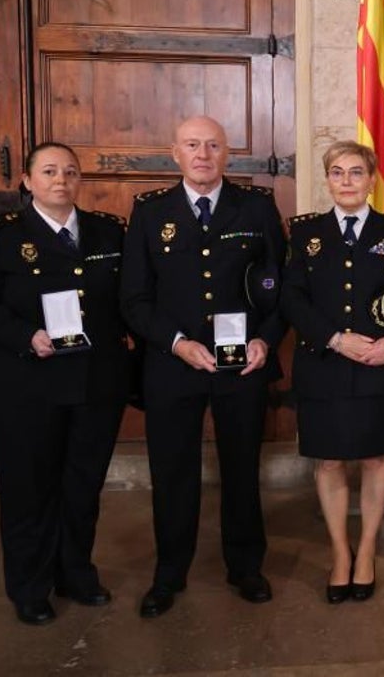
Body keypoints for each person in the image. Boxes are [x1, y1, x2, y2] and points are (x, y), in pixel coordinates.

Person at [120, 116, 286, 618]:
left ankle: (245, 566)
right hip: (173, 365)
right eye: (192, 145)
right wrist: (176, 344)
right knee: (173, 472)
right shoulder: (150, 213)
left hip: (243, 367)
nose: (203, 153)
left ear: (227, 154)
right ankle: (169, 573)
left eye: (213, 145)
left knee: (241, 467)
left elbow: (283, 288)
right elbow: (134, 298)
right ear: (175, 153)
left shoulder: (256, 207)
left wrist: (265, 340)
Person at [0, 142, 132, 625]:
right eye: (50, 171)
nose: (61, 180)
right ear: (28, 180)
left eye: (70, 172)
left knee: (82, 485)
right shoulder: (0, 235)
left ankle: (76, 574)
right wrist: (25, 336)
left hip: (94, 384)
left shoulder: (107, 231)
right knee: (27, 489)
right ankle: (30, 586)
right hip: (23, 385)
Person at [281, 141, 384, 603]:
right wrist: (334, 338)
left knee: (373, 460)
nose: (346, 181)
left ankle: (366, 550)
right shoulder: (304, 234)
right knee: (329, 462)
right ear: (327, 179)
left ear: (372, 179)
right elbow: (291, 298)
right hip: (324, 364)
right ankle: (339, 554)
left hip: (379, 366)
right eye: (337, 172)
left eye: (355, 172)